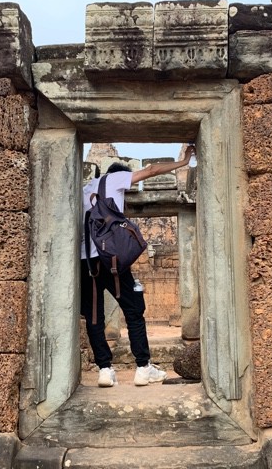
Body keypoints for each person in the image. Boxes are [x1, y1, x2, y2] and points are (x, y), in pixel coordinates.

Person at [81, 145, 196, 387]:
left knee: (94, 317)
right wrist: (183, 162)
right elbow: (152, 170)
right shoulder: (115, 178)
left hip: (86, 262)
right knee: (134, 310)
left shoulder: (84, 190)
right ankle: (143, 367)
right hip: (111, 260)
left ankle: (105, 370)